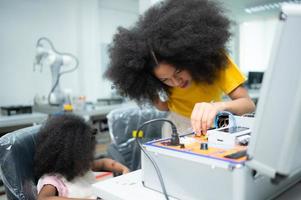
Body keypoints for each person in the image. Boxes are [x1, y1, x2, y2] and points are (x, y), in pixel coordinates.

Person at [105, 0, 255, 137]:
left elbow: (248, 105)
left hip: (213, 124)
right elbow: (169, 106)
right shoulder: (156, 77)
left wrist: (218, 107)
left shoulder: (215, 60)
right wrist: (156, 101)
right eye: (165, 80)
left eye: (178, 72)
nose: (176, 83)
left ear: (190, 57)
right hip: (175, 127)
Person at [34, 114, 129, 200]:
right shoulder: (52, 180)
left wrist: (123, 169)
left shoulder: (81, 167)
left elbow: (104, 163)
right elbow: (43, 199)